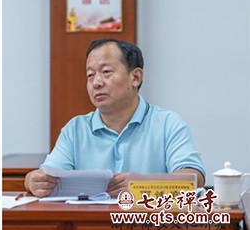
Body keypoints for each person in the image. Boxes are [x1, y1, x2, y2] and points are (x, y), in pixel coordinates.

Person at [24, 39, 205, 197]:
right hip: (90, 223)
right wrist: (32, 180)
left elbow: (194, 178)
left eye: (106, 72)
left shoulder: (167, 123)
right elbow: (47, 175)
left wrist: (142, 185)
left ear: (135, 77)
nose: (96, 82)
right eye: (90, 75)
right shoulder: (75, 129)